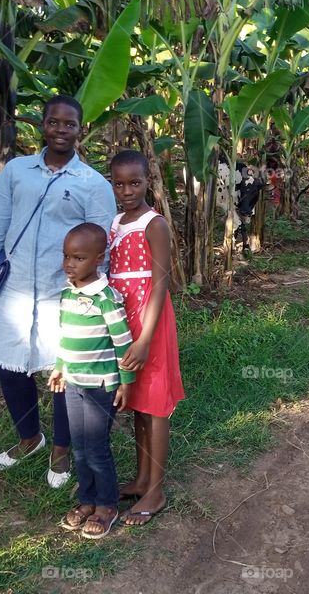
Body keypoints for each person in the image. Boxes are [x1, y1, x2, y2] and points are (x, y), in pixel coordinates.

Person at [0, 95, 116, 488]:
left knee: (62, 371)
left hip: (63, 293)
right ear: (42, 126)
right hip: (13, 290)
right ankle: (29, 438)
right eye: (54, 122)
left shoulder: (94, 184)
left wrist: (99, 299)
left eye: (69, 124)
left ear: (81, 130)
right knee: (10, 365)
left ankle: (62, 449)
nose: (61, 130)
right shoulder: (17, 171)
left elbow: (104, 247)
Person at [108, 149, 185, 525]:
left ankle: (156, 488)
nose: (127, 191)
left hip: (149, 323)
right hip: (125, 320)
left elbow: (160, 282)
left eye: (134, 183)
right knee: (137, 401)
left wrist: (144, 339)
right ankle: (140, 479)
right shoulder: (116, 221)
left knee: (155, 405)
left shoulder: (154, 224)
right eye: (119, 184)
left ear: (147, 182)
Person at [48, 223, 133, 539]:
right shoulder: (68, 293)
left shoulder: (106, 298)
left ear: (99, 258)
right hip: (72, 382)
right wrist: (59, 367)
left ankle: (107, 505)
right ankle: (86, 499)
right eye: (67, 256)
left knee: (97, 447)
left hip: (100, 386)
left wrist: (126, 382)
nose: (70, 264)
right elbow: (66, 336)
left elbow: (123, 343)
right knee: (80, 446)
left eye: (79, 258)